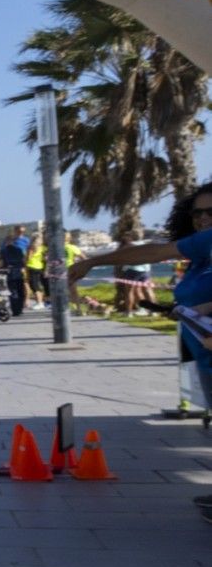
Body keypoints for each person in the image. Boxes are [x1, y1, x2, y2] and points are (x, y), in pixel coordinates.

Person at [69, 185, 212, 525]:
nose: (204, 219)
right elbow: (155, 251)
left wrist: (96, 260)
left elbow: (154, 254)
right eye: (198, 213)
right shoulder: (202, 250)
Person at [0, 230, 28, 317]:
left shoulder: (3, 251)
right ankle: (20, 308)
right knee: (20, 291)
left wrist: (0, 270)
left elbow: (2, 263)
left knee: (13, 292)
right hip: (19, 272)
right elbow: (23, 262)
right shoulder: (19, 250)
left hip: (9, 273)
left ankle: (15, 310)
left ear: (6, 241)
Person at [26, 236, 48, 310]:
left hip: (32, 266)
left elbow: (28, 258)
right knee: (37, 285)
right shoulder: (43, 248)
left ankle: (40, 302)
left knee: (34, 285)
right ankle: (40, 302)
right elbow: (44, 258)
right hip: (39, 267)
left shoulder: (32, 248)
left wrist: (24, 263)